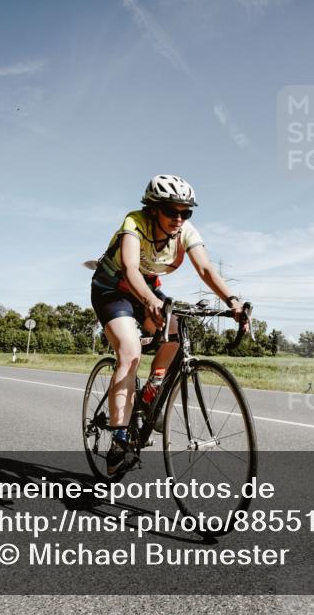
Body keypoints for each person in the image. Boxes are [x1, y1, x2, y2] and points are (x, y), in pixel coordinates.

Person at [90, 175, 246, 475]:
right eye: (171, 211)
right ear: (152, 209)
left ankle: (153, 387)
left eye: (185, 212)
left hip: (145, 288)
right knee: (130, 351)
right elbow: (131, 269)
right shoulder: (134, 223)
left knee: (174, 333)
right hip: (112, 289)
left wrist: (232, 301)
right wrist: (150, 302)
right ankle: (119, 438)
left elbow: (205, 268)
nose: (179, 218)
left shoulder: (184, 231)